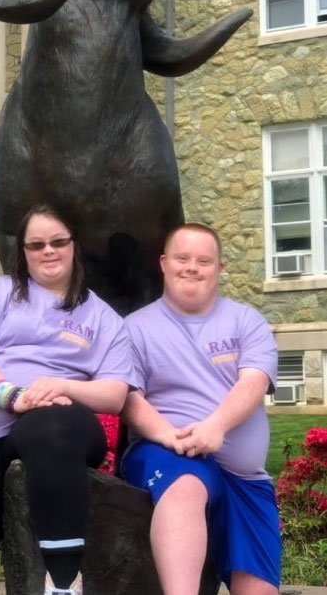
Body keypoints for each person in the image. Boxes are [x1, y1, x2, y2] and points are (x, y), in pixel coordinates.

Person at [0, 204, 134, 595]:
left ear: (75, 245)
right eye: (36, 244)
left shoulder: (104, 318)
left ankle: (64, 582)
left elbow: (114, 394)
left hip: (63, 428)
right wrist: (13, 396)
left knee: (49, 425)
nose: (48, 251)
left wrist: (61, 387)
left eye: (58, 242)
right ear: (23, 251)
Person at [120, 223, 281, 595]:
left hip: (245, 478)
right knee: (187, 487)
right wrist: (166, 436)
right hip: (167, 453)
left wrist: (216, 427)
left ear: (220, 268)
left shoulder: (247, 321)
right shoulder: (134, 328)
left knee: (258, 590)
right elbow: (128, 396)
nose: (192, 267)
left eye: (204, 260)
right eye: (182, 258)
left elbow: (254, 381)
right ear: (163, 263)